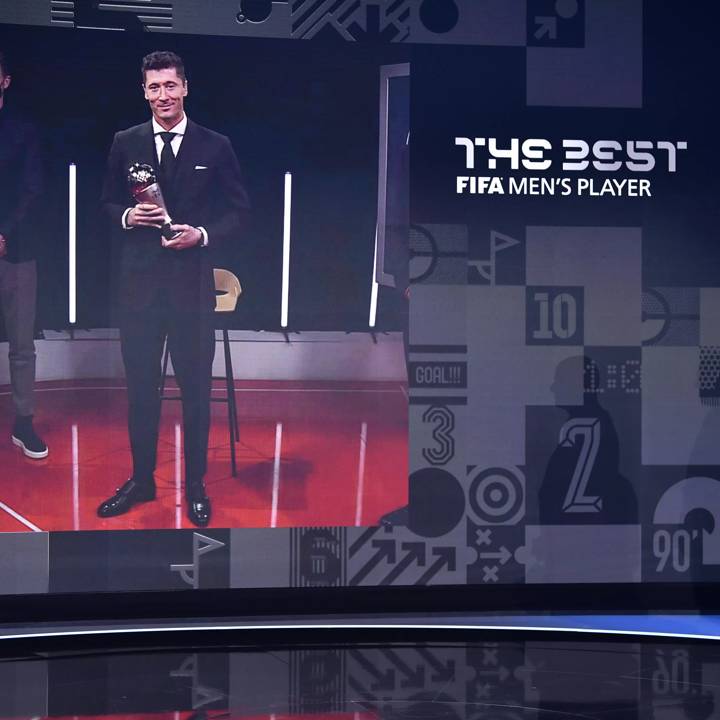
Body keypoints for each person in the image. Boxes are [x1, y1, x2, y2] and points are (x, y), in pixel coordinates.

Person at [98, 50, 249, 526]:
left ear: (185, 88)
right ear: (144, 92)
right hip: (139, 290)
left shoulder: (215, 145)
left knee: (196, 392)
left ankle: (197, 484)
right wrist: (127, 215)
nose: (162, 95)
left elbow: (240, 212)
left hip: (190, 290)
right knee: (141, 391)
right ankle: (142, 480)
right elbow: (104, 203)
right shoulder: (126, 141)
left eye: (170, 85)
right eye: (154, 87)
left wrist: (202, 235)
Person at [0, 50, 48, 459]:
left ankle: (23, 423)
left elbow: (33, 190)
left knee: (21, 345)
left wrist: (4, 233)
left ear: (5, 81)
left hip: (17, 250)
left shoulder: (23, 131)